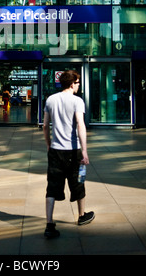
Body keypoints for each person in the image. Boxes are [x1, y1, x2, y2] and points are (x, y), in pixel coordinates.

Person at [43, 70, 94, 239]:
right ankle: (81, 216)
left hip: (56, 151)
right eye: (78, 83)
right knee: (78, 182)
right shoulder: (77, 101)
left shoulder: (51, 99)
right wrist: (84, 151)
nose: (78, 86)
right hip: (74, 151)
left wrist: (49, 145)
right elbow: (80, 125)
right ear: (72, 84)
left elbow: (45, 126)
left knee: (52, 186)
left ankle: (49, 224)